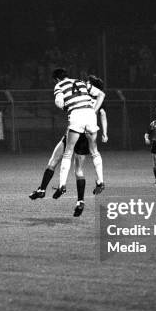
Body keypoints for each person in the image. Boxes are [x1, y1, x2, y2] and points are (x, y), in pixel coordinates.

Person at [29, 75, 108, 217]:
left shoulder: (83, 93)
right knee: (78, 169)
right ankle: (80, 201)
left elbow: (64, 103)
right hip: (86, 133)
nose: (86, 83)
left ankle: (47, 188)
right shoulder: (92, 98)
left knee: (54, 160)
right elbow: (102, 112)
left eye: (89, 82)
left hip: (74, 132)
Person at [51, 68, 105, 209]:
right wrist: (93, 112)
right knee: (95, 151)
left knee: (68, 152)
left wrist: (64, 106)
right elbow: (102, 95)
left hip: (76, 116)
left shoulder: (59, 85)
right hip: (90, 116)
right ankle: (100, 181)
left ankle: (62, 185)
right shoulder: (81, 82)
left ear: (57, 79)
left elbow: (59, 103)